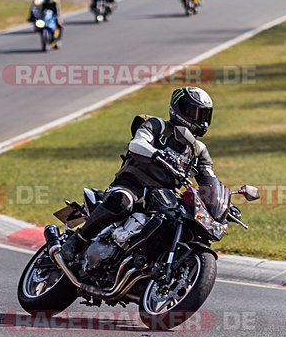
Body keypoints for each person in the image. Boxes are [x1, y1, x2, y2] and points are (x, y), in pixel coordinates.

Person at [68, 87, 220, 256]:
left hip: (163, 198)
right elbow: (136, 143)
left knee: (181, 224)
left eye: (203, 115)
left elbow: (209, 179)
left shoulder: (199, 150)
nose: (200, 120)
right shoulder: (158, 126)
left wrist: (221, 205)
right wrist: (155, 153)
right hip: (132, 185)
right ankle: (78, 240)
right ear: (179, 109)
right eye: (194, 113)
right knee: (122, 202)